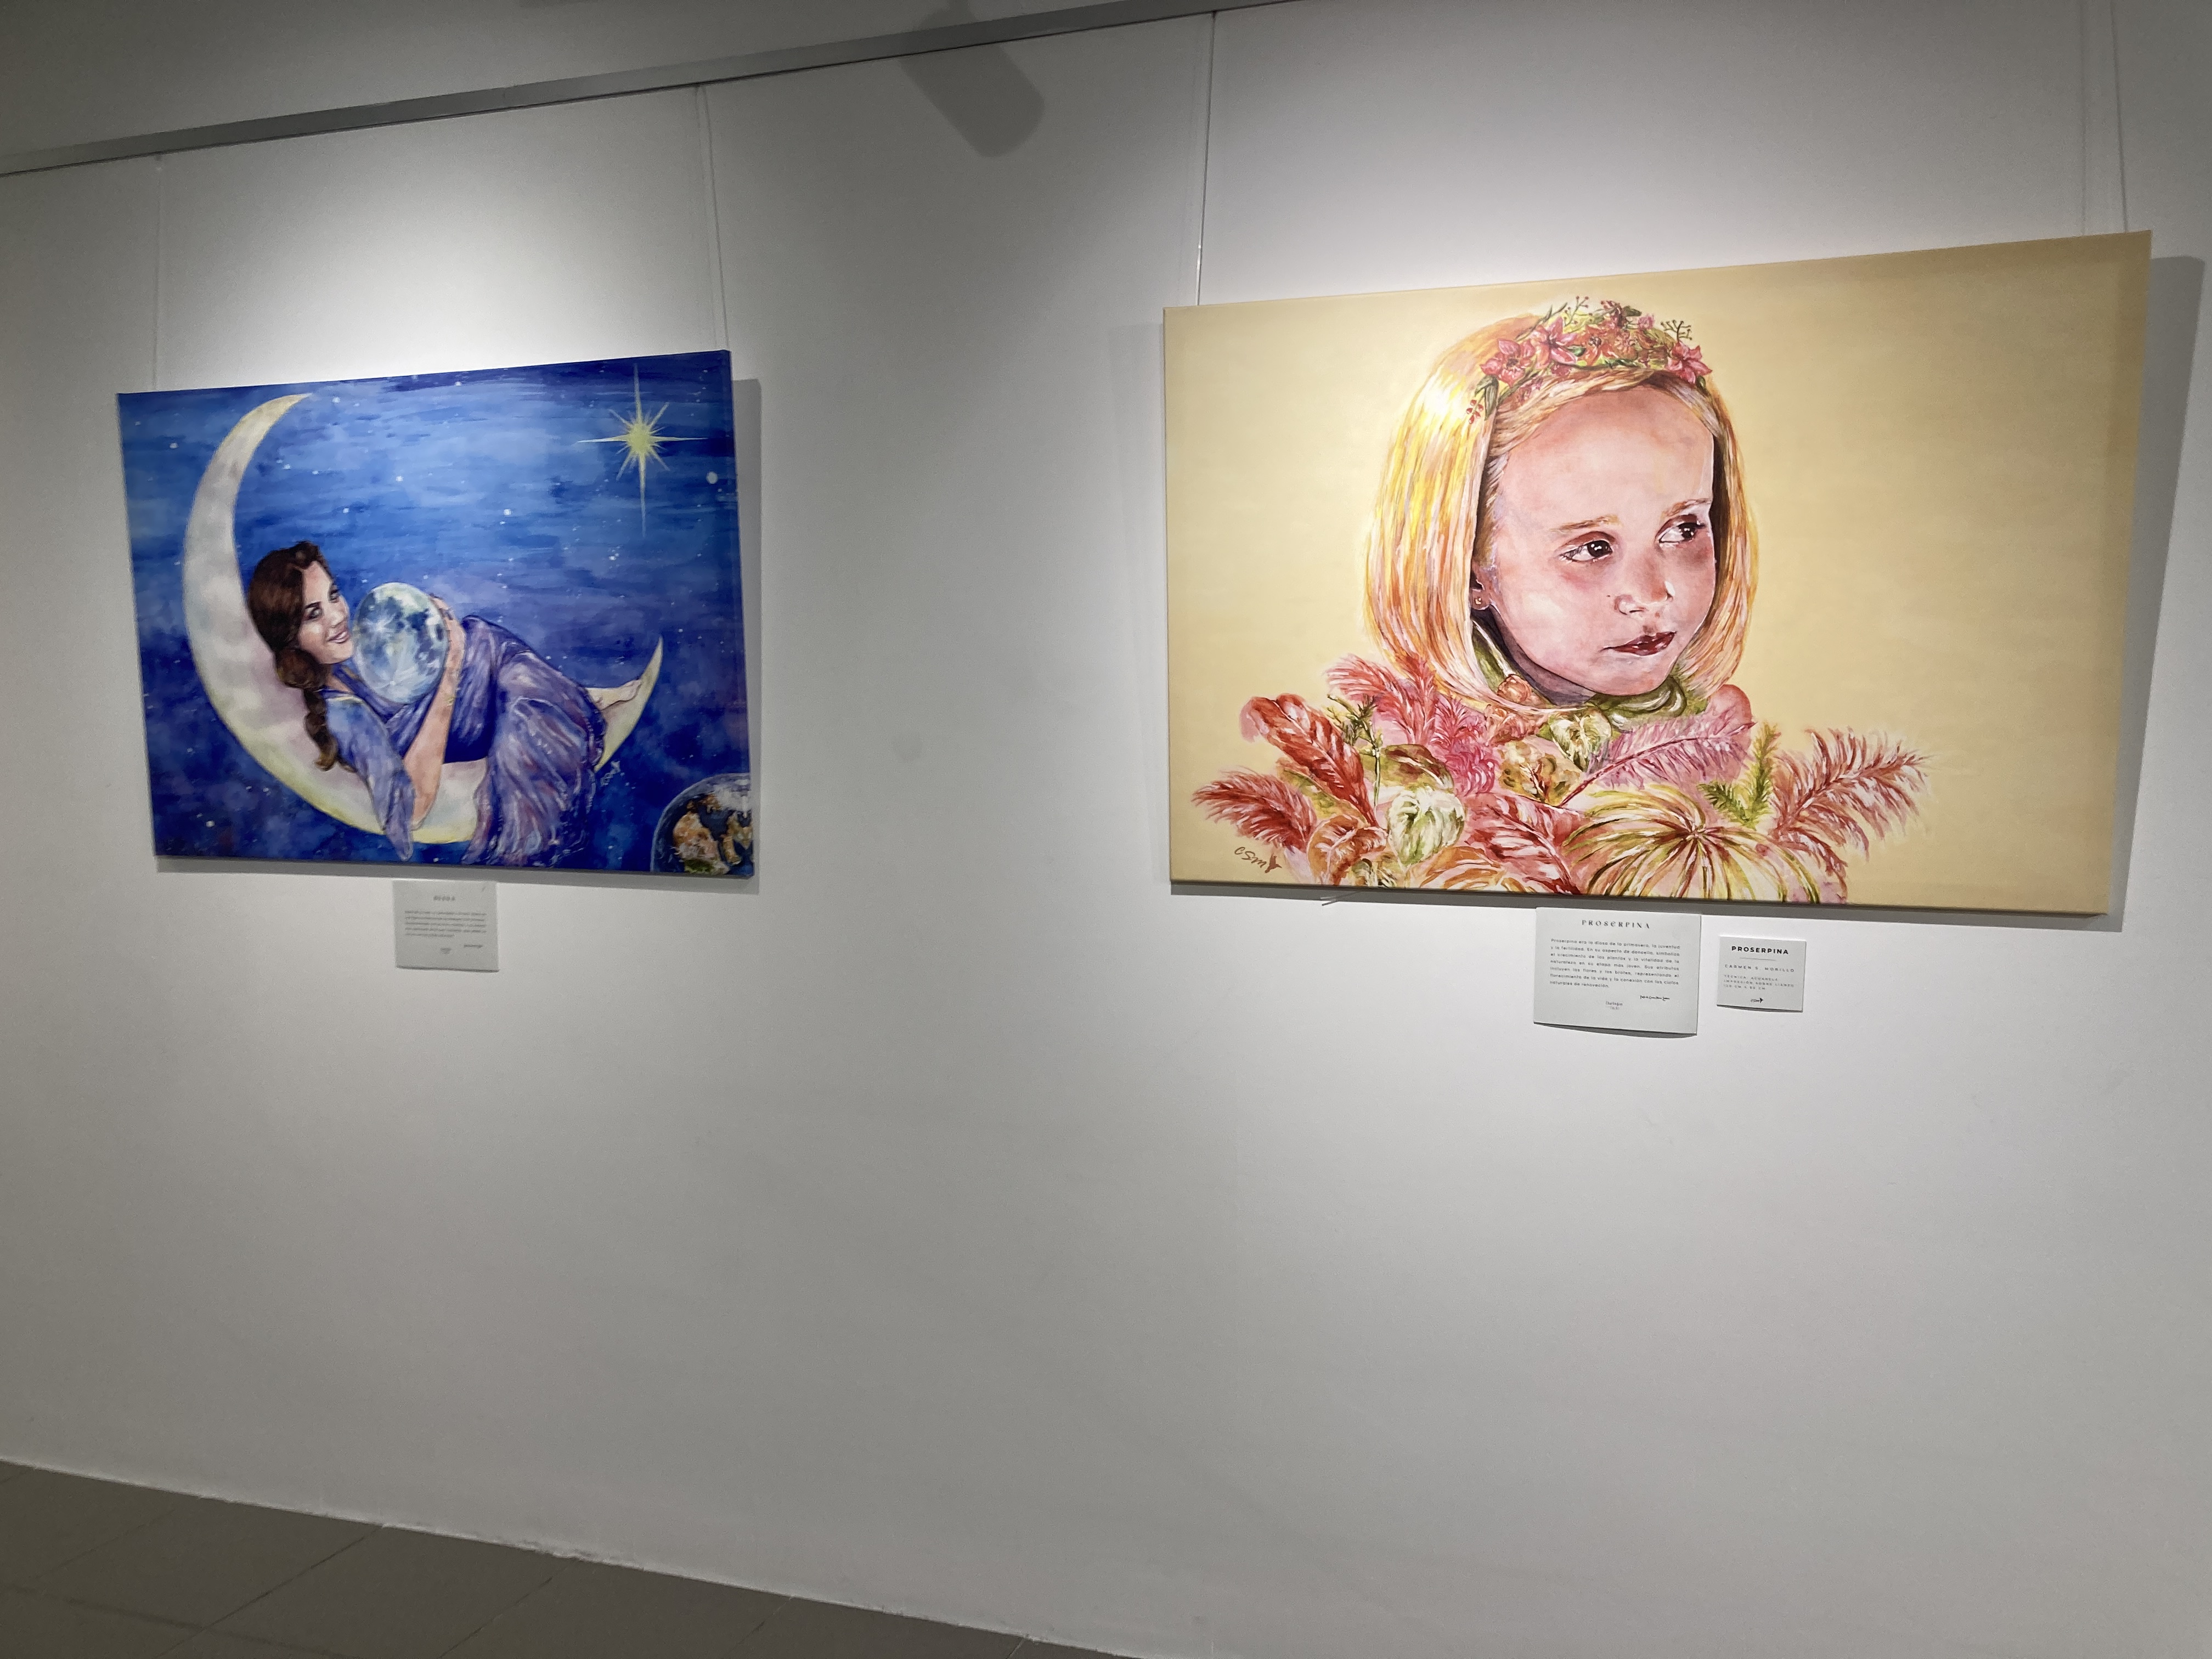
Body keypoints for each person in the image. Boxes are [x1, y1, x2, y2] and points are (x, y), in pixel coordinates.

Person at [1365, 297, 1755, 774]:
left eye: (1683, 529)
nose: (1652, 595)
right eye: (1593, 548)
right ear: (1471, 572)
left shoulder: (1717, 732)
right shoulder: (1413, 761)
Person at [245, 541, 616, 866]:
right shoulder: (345, 715)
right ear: (290, 637)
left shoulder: (344, 672)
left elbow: (404, 700)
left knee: (482, 642)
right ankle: (570, 703)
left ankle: (568, 696)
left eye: (333, 595)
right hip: (459, 728)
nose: (338, 615)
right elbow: (411, 811)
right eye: (314, 614)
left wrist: (433, 641)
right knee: (490, 651)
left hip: (467, 708)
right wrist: (451, 670)